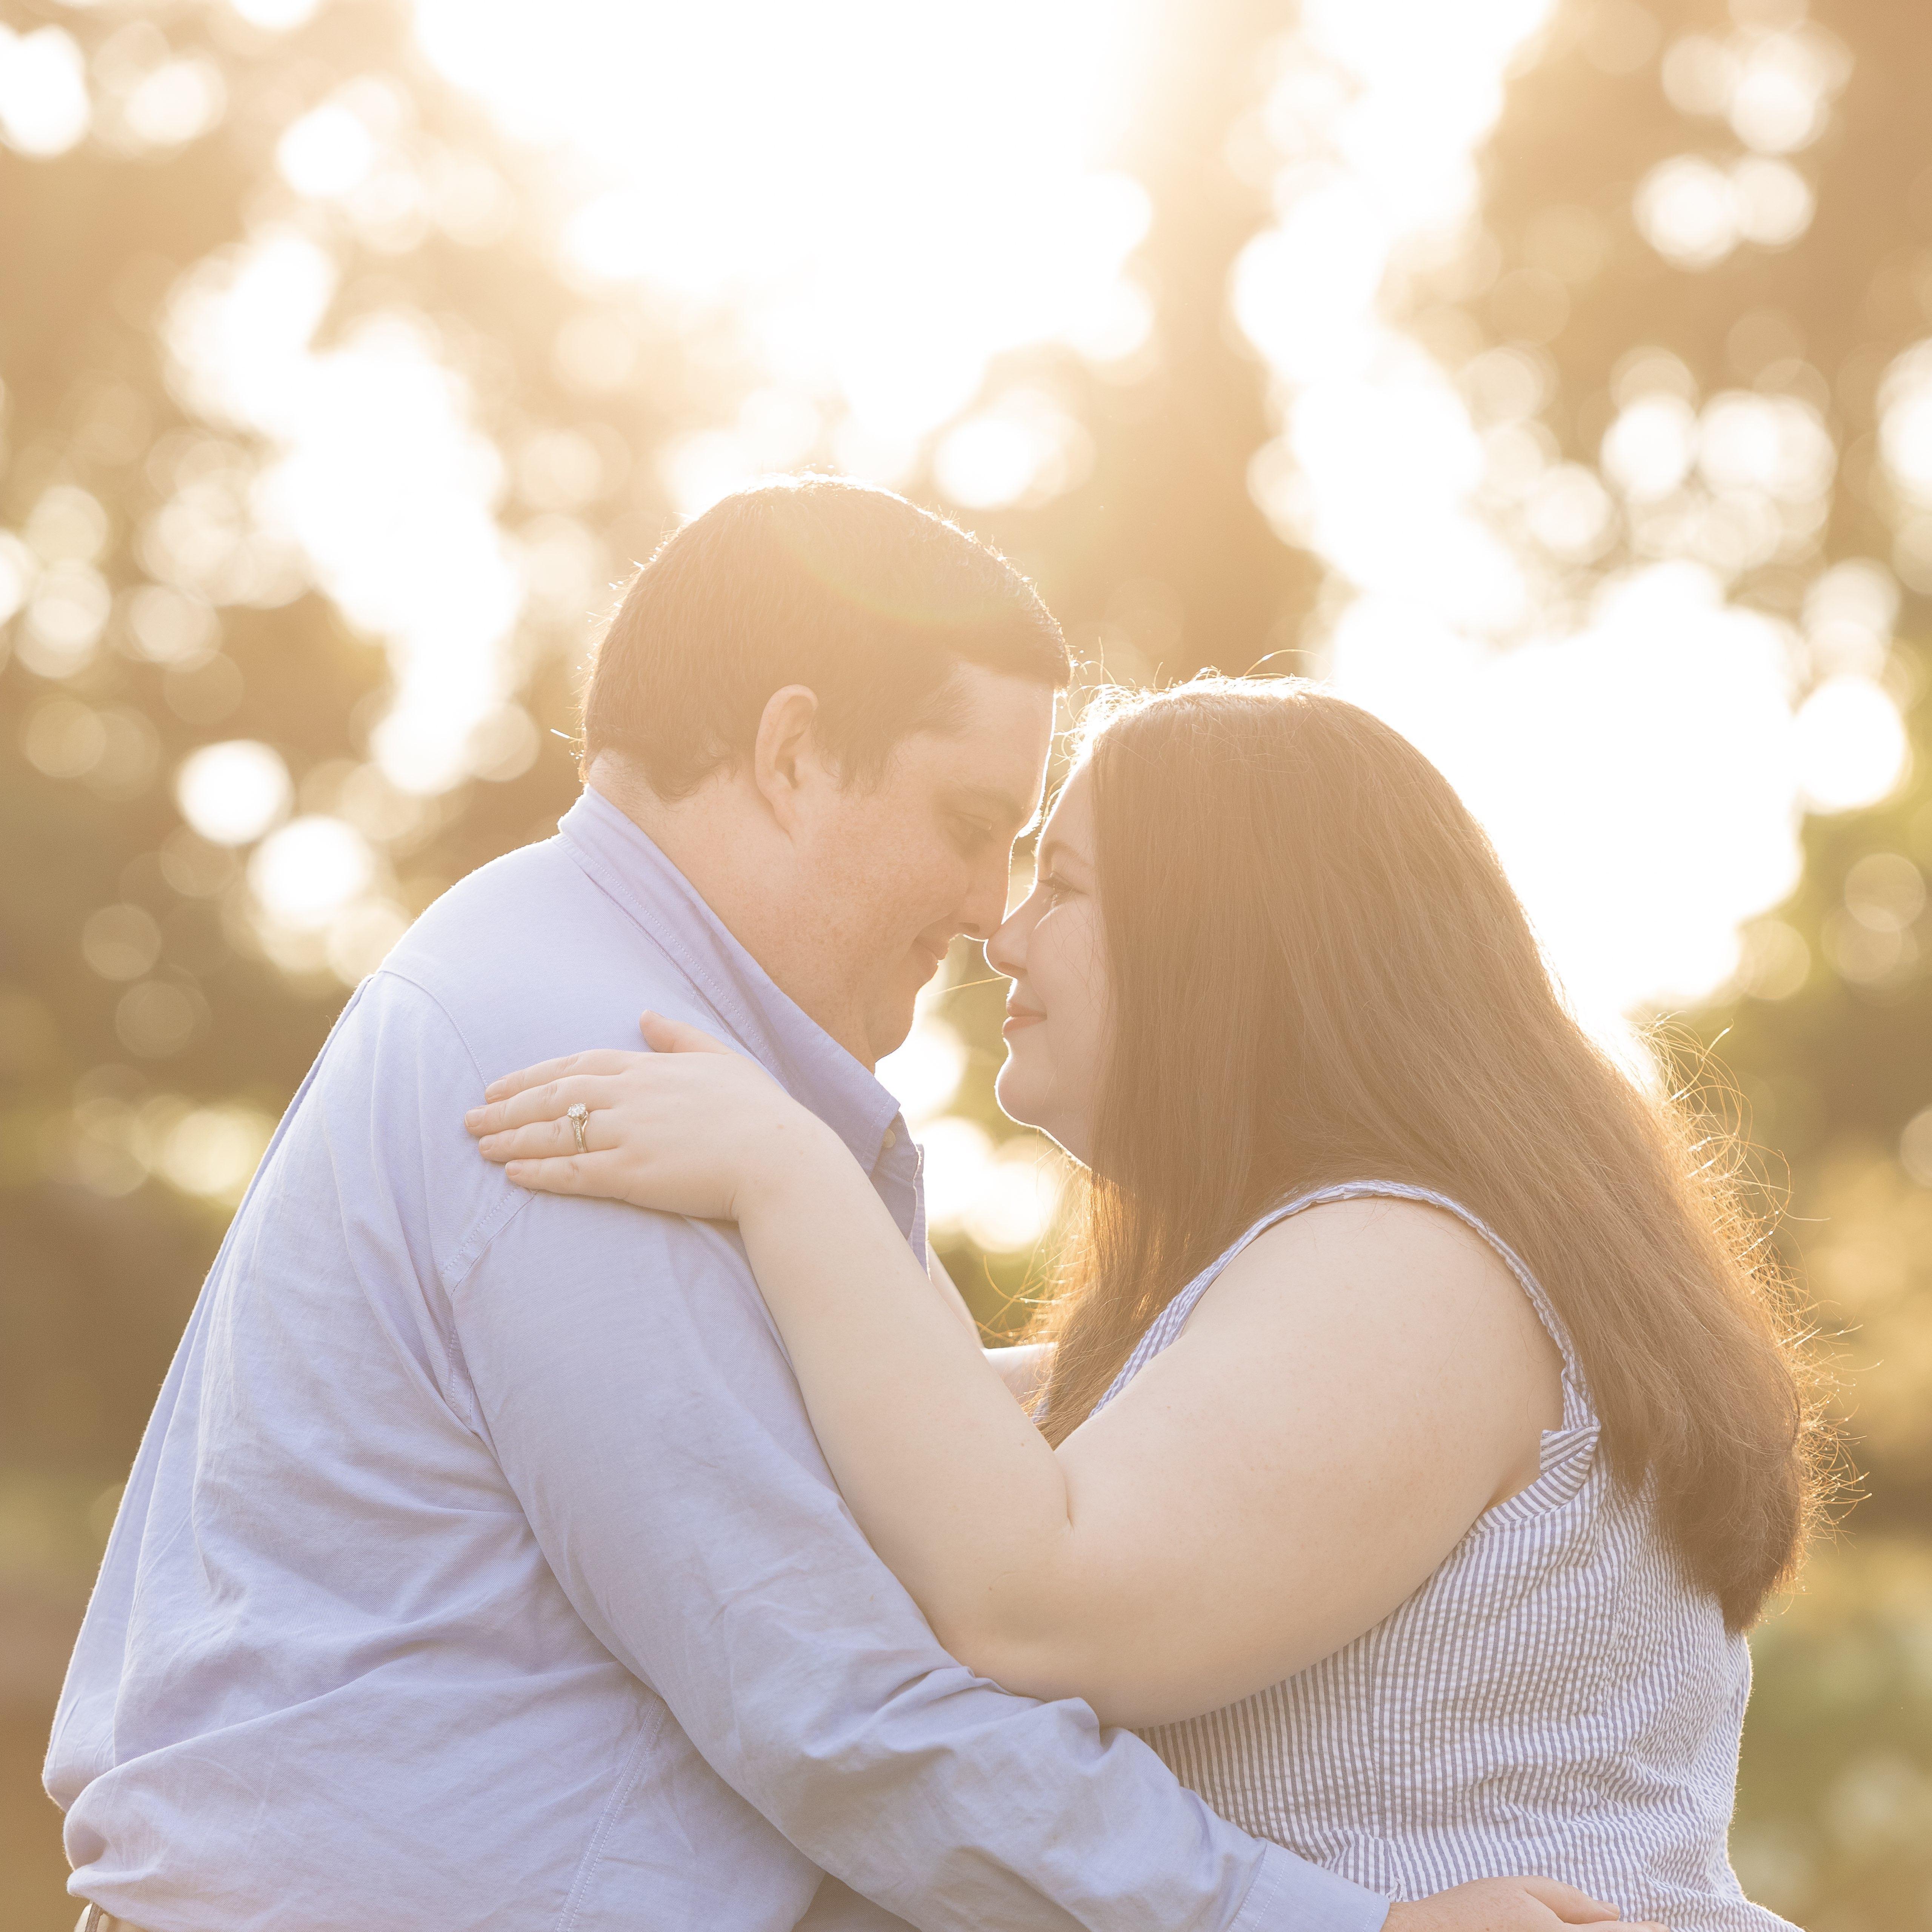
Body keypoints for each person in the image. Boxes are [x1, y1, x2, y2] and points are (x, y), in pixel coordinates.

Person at [45, 480, 1616, 1932]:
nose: (989, 909)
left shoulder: (611, 1023)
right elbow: (837, 1705)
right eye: (966, 822)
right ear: (791, 753)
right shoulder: (593, 1071)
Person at [469, 671, 1828, 1930]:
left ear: (1226, 938)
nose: (1001, 934)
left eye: (1059, 883)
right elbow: (919, 1439)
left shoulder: (1411, 1267)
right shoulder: (1328, 1278)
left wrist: (788, 1169)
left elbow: (1036, 1603)